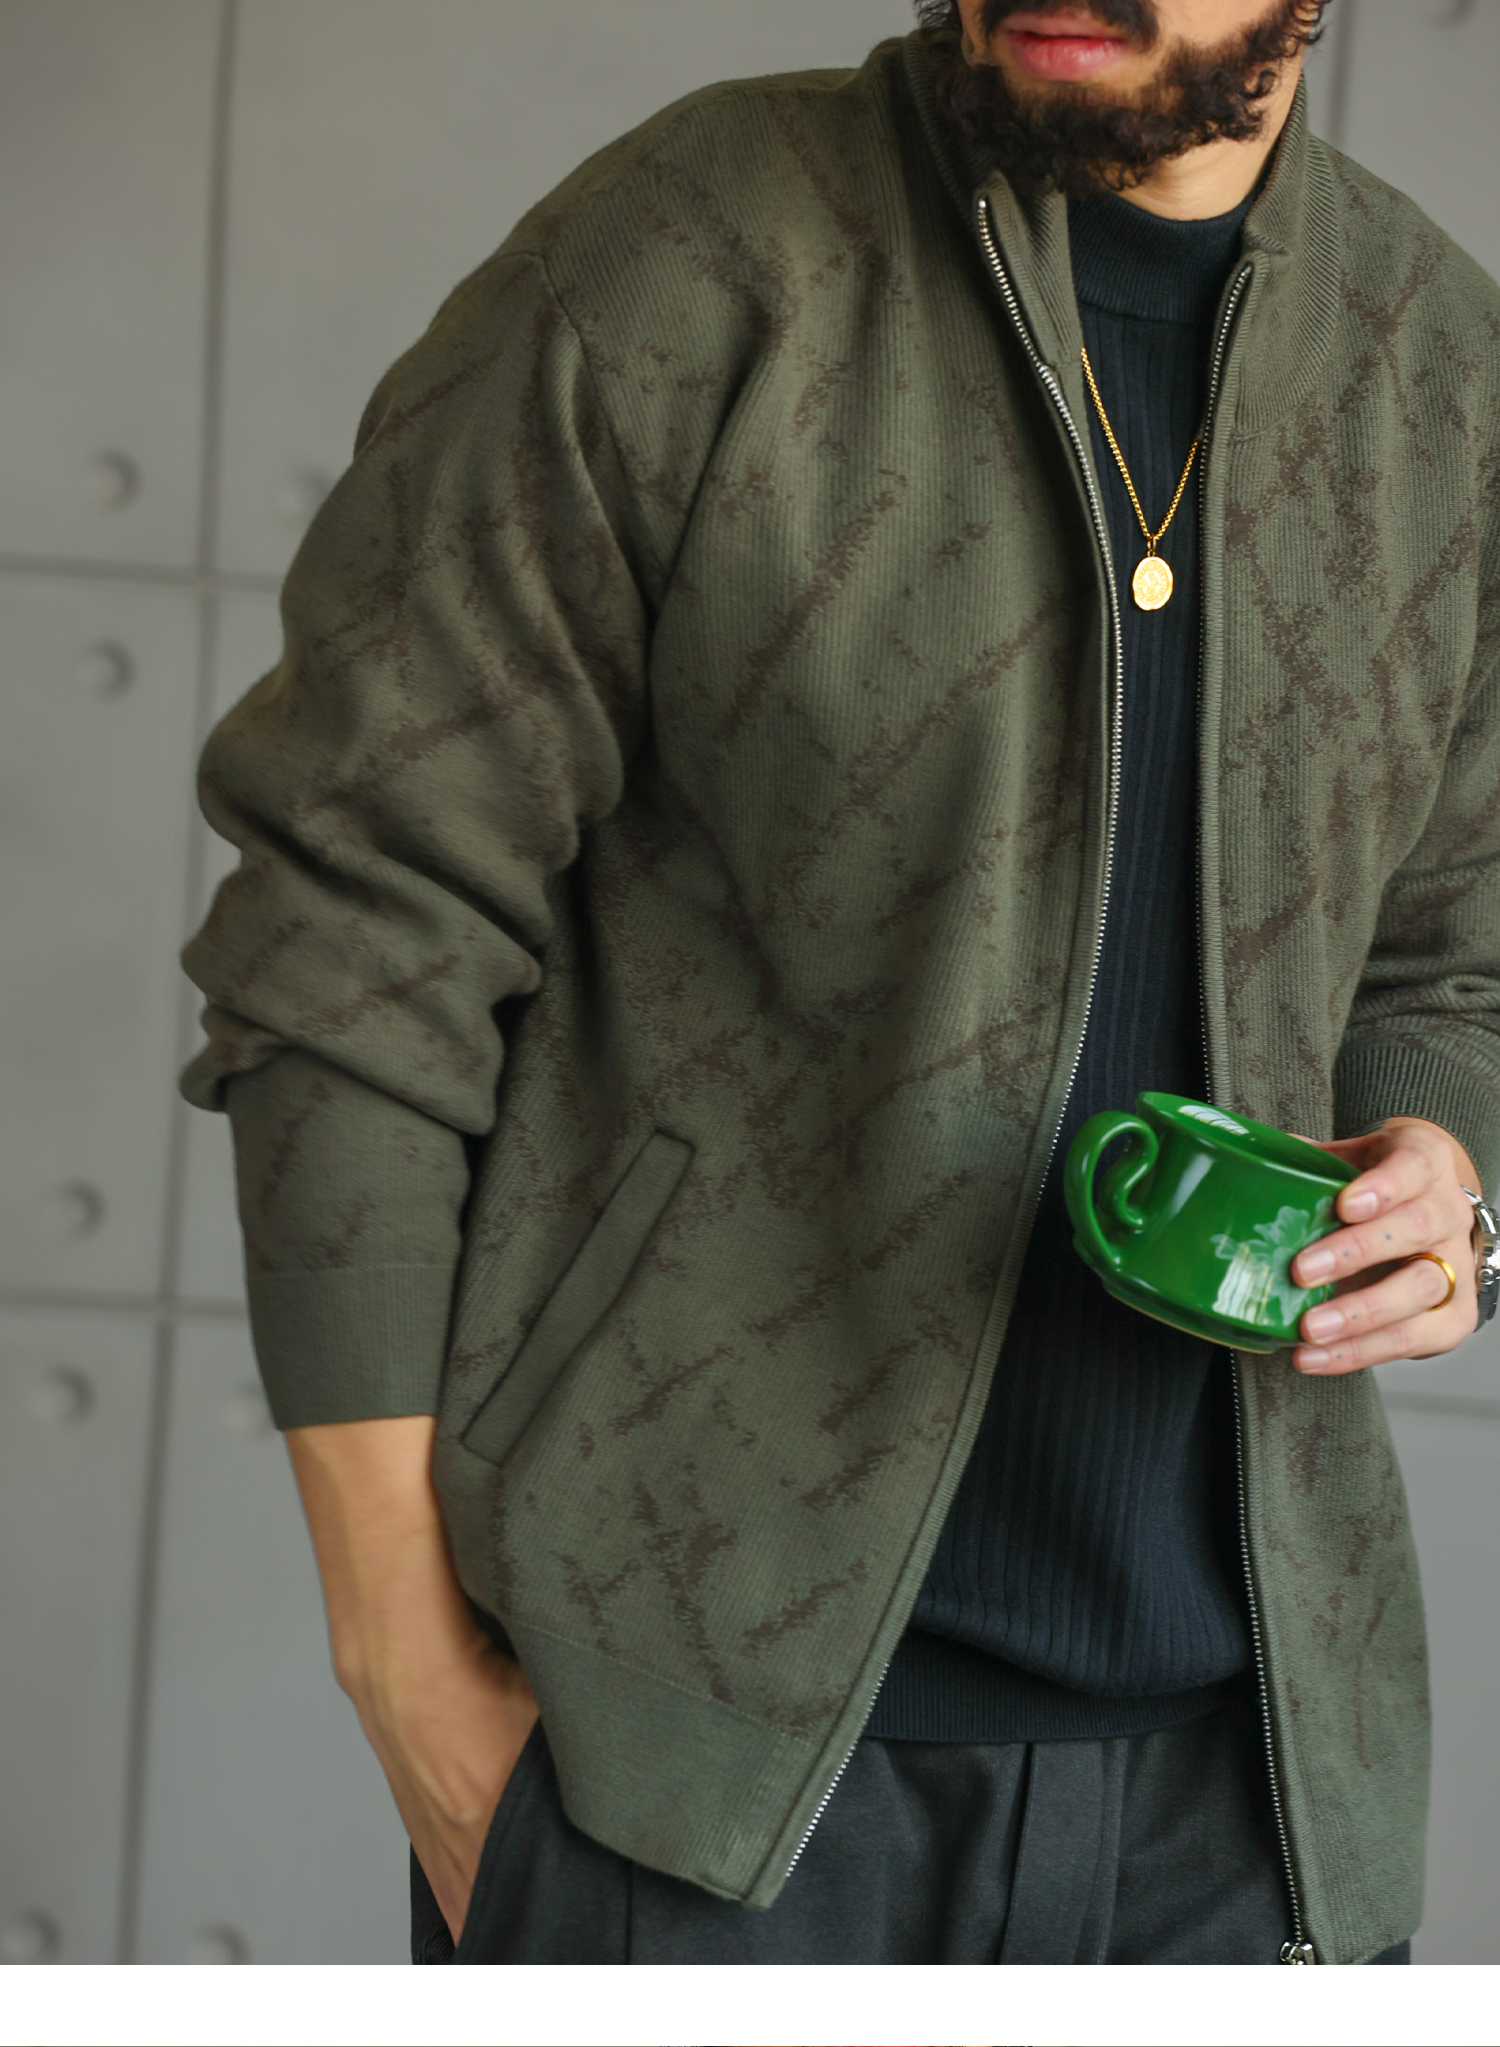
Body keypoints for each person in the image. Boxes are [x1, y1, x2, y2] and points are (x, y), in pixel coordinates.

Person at [180, 0, 1500, 1965]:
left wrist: (1454, 1174)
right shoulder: (695, 251)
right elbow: (351, 922)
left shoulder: (1444, 371)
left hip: (1249, 1816)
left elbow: (1459, 957)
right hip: (685, 1793)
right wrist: (409, 1676)